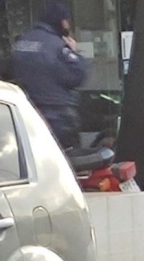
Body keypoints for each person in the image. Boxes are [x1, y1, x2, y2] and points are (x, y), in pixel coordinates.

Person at [10, 2, 88, 150]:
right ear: (61, 21)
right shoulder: (57, 46)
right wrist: (75, 51)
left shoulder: (21, 43)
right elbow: (79, 75)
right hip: (58, 119)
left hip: (27, 117)